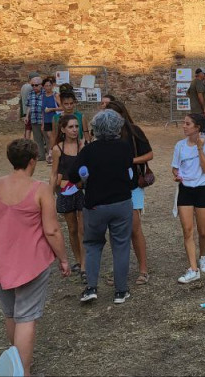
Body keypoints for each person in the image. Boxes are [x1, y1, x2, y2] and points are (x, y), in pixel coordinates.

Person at [0, 139, 70, 376]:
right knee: (26, 317)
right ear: (33, 161)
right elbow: (51, 230)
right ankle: (23, 371)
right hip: (31, 261)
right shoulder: (40, 189)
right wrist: (63, 258)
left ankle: (15, 365)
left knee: (11, 314)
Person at [67, 109, 136, 304]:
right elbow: (129, 169)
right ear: (117, 127)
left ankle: (91, 288)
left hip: (95, 204)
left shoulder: (89, 150)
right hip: (121, 202)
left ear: (96, 128)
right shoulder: (124, 147)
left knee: (93, 246)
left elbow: (72, 175)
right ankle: (121, 291)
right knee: (121, 246)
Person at [105, 100, 153, 287]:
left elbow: (149, 154)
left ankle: (143, 269)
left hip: (132, 186)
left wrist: (129, 161)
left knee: (134, 228)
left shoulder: (133, 131)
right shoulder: (104, 134)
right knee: (117, 231)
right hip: (112, 186)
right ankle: (119, 271)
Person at [172, 113, 205, 284]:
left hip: (203, 189)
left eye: (187, 124)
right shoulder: (179, 146)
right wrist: (176, 175)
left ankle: (203, 256)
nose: (184, 126)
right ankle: (193, 268)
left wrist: (199, 148)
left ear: (197, 127)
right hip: (185, 190)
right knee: (187, 231)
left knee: (203, 231)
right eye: (184, 123)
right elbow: (175, 168)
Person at [50, 114, 86, 280]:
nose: (74, 130)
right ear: (63, 129)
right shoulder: (58, 149)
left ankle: (85, 264)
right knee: (72, 228)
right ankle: (78, 260)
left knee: (82, 228)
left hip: (82, 190)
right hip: (65, 191)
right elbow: (54, 173)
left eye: (76, 126)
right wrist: (49, 194)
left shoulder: (83, 146)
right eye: (71, 127)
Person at [25, 77, 47, 162]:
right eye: (32, 85)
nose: (34, 87)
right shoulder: (30, 94)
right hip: (34, 119)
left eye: (36, 85)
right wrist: (27, 116)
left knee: (47, 138)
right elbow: (29, 106)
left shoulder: (46, 94)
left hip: (43, 120)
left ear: (41, 85)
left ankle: (50, 154)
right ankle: (41, 156)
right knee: (37, 139)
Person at [41, 78, 59, 163]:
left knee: (53, 137)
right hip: (47, 120)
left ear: (52, 86)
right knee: (50, 137)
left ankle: (51, 154)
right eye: (46, 86)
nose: (48, 87)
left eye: (49, 85)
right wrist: (43, 123)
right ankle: (54, 153)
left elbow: (62, 107)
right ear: (43, 87)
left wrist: (52, 109)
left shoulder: (55, 95)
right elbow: (42, 111)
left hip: (55, 119)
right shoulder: (42, 96)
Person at [19, 72, 37, 140]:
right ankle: (28, 141)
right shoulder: (31, 87)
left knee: (27, 128)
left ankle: (26, 140)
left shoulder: (23, 86)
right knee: (30, 128)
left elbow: (21, 99)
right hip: (30, 110)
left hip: (25, 110)